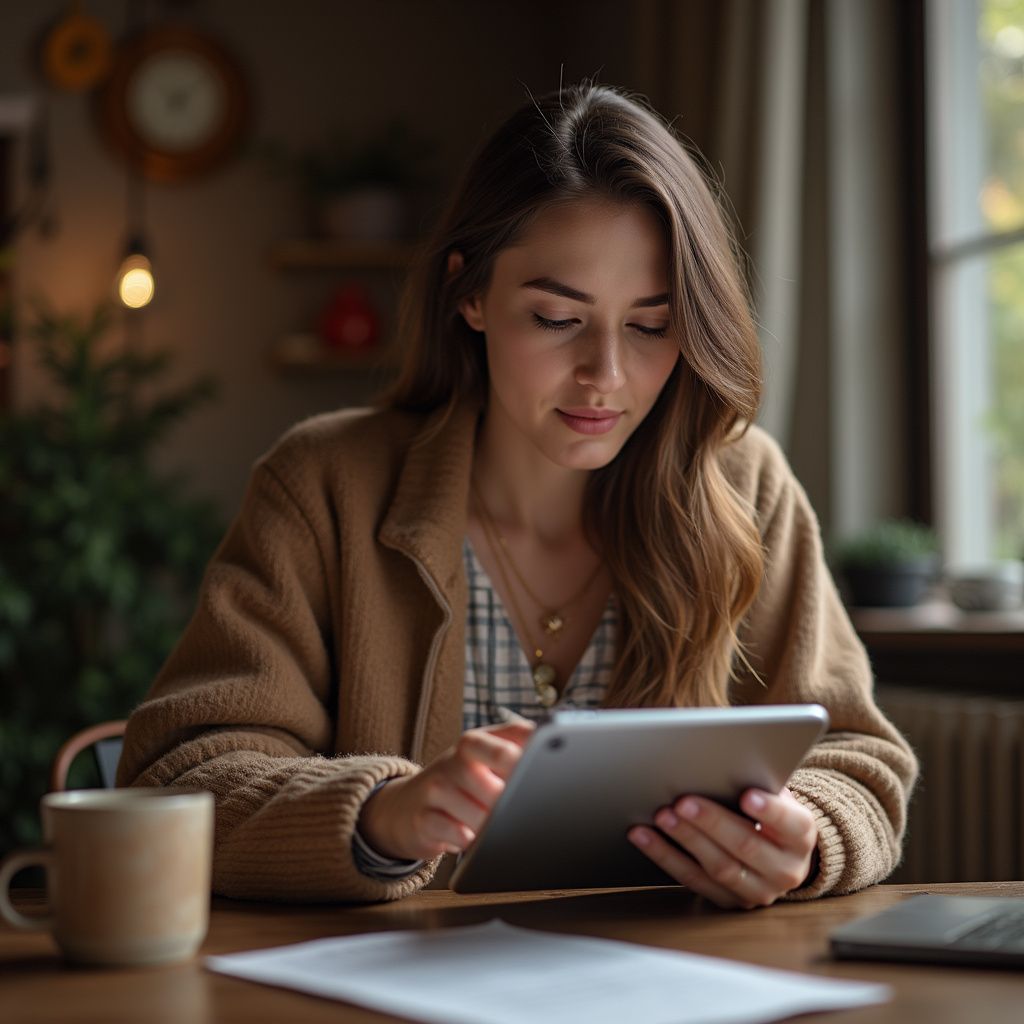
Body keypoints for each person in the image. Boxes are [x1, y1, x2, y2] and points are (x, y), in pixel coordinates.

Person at [118, 81, 917, 909]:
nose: (606, 376)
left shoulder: (744, 487)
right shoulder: (323, 487)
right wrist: (383, 816)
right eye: (555, 318)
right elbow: (183, 773)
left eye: (651, 325)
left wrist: (811, 834)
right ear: (469, 294)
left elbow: (859, 759)